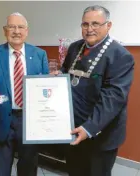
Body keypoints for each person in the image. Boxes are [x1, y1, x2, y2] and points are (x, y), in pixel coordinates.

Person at [58, 5, 134, 176]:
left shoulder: (120, 56)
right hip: (73, 129)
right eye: (85, 24)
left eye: (95, 24)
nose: (89, 29)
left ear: (108, 25)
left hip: (101, 134)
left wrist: (89, 128)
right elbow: (66, 75)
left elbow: (113, 97)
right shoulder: (74, 48)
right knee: (74, 171)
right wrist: (56, 79)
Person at [0, 12, 49, 176]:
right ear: (5, 31)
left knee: (28, 168)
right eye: (11, 27)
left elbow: (46, 90)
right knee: (1, 170)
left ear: (27, 31)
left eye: (20, 27)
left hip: (30, 122)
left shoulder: (40, 55)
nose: (16, 31)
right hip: (2, 120)